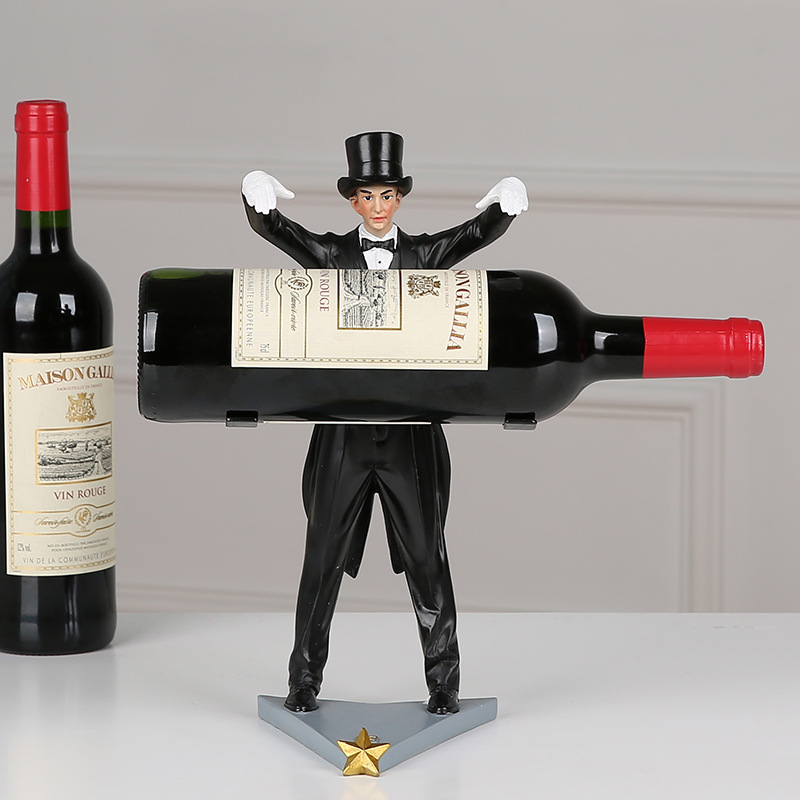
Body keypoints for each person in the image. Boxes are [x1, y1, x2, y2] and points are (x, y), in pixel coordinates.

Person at [242, 132, 527, 715]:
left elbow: (471, 236)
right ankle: (303, 679)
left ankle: (444, 681)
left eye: (388, 195)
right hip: (342, 436)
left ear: (400, 198)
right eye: (368, 196)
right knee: (320, 560)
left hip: (410, 436)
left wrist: (504, 206)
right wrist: (256, 200)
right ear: (353, 201)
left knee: (428, 558)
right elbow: (281, 233)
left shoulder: (424, 256)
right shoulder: (330, 256)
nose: (378, 206)